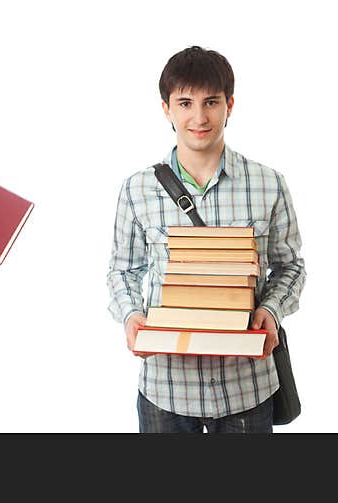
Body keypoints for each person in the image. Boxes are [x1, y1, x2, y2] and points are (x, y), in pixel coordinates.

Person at [107, 46, 306, 433]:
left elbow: (290, 267)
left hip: (247, 390)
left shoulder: (269, 184)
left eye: (211, 102)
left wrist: (271, 312)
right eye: (185, 103)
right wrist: (132, 317)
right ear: (166, 109)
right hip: (166, 393)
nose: (199, 117)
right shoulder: (136, 189)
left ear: (230, 105)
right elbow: (122, 271)